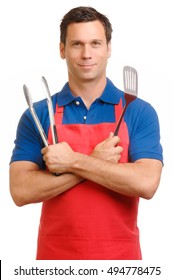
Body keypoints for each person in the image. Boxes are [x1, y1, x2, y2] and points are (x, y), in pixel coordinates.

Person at [9, 6, 163, 260]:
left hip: (119, 261)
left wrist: (75, 161)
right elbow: (20, 190)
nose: (86, 54)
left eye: (95, 43)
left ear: (109, 48)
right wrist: (97, 160)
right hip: (55, 262)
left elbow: (146, 183)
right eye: (76, 44)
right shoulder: (38, 114)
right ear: (62, 50)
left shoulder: (137, 111)